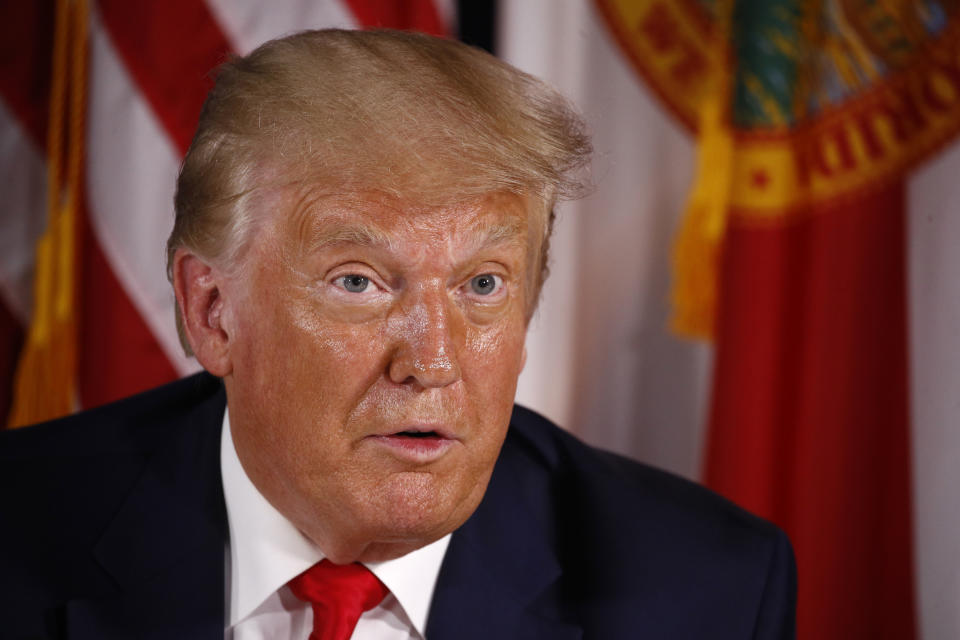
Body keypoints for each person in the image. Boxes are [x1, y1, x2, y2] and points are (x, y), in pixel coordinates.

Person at [0, 29, 795, 639]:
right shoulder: (19, 536)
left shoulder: (702, 591)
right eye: (359, 283)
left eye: (482, 284)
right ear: (212, 312)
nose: (432, 362)